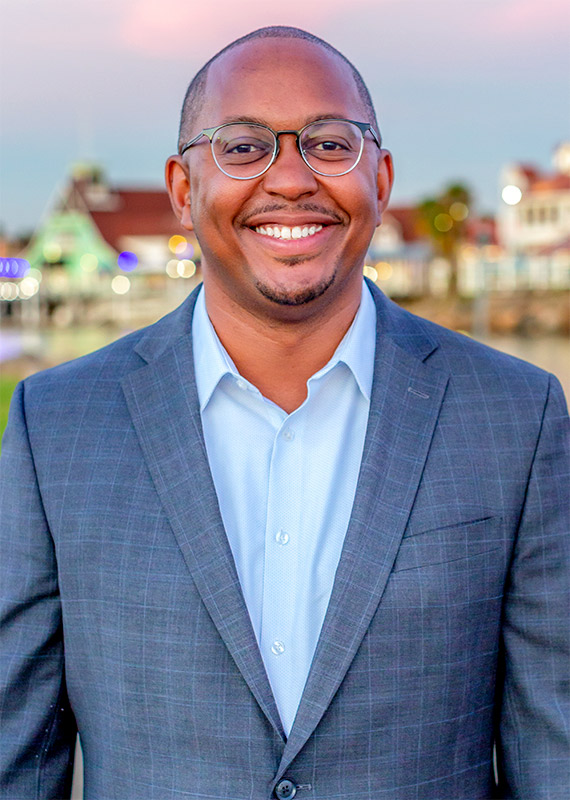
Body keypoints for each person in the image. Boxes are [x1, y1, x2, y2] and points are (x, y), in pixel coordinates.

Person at [0, 25, 568, 800]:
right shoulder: (55, 427)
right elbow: (17, 761)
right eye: (242, 147)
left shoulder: (517, 416)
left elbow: (553, 756)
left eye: (332, 144)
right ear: (181, 188)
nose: (292, 178)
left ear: (382, 178)